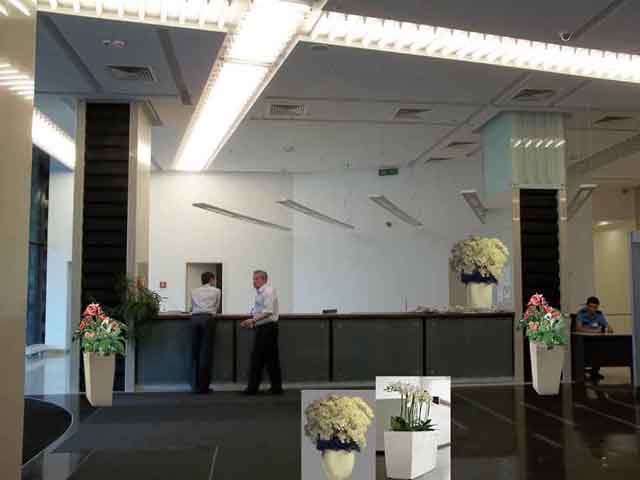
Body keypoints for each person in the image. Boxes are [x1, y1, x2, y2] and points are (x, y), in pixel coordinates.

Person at [240, 270, 283, 395]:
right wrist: (253, 322)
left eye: (256, 279)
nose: (253, 281)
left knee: (258, 358)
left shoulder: (268, 291)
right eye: (253, 279)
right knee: (270, 358)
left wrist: (252, 320)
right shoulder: (260, 293)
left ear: (264, 279)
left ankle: (252, 388)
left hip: (268, 328)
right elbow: (260, 311)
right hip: (264, 327)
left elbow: (268, 312)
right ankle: (276, 387)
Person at [190, 271, 221, 394]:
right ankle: (204, 387)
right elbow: (216, 307)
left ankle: (195, 385)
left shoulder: (194, 291)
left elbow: (192, 307)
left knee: (196, 351)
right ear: (211, 280)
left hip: (194, 319)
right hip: (208, 319)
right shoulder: (216, 291)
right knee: (206, 353)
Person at [575, 296, 613, 381]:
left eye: (595, 307)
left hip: (596, 340)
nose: (592, 309)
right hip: (584, 341)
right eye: (590, 307)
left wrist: (606, 328)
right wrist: (595, 331)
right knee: (586, 351)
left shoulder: (599, 314)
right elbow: (578, 328)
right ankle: (582, 371)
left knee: (600, 349)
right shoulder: (581, 313)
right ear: (587, 306)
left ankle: (595, 371)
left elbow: (609, 328)